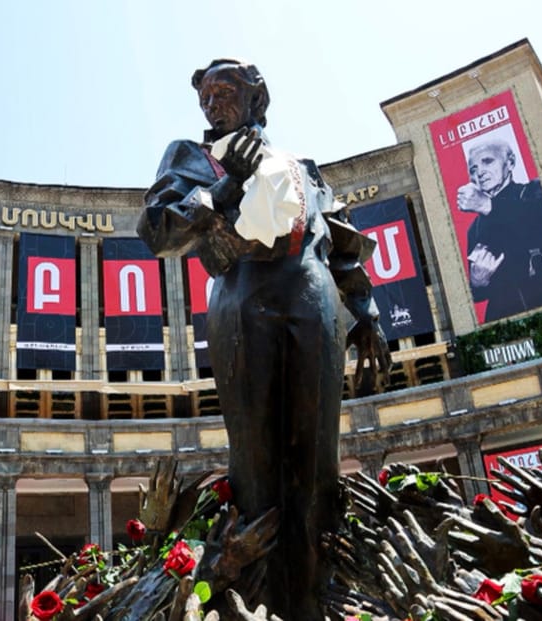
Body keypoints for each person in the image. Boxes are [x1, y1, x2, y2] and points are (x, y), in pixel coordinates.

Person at [138, 59, 390, 620]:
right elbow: (157, 230)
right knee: (253, 456)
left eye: (224, 91)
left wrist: (367, 314)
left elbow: (341, 243)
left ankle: (319, 594)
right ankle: (249, 599)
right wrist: (226, 188)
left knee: (318, 450)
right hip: (242, 296)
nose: (212, 103)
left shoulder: (301, 166)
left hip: (311, 291)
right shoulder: (190, 156)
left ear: (257, 96)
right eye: (205, 96)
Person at [456, 139, 542, 322]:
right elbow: (477, 295)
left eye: (487, 161)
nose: (479, 172)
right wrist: (479, 281)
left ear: (510, 162)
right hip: (506, 320)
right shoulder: (475, 228)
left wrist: (488, 205)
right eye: (473, 169)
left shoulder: (535, 191)